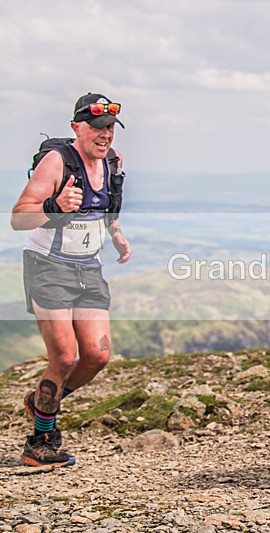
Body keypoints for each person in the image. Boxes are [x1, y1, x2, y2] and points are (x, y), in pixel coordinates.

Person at [10, 93, 131, 467]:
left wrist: (116, 233)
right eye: (97, 127)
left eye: (110, 127)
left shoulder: (112, 163)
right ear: (77, 127)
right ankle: (41, 441)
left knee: (96, 355)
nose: (105, 134)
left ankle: (44, 403)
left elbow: (106, 206)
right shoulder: (56, 163)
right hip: (48, 264)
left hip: (88, 266)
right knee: (63, 357)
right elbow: (19, 217)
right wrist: (53, 206)